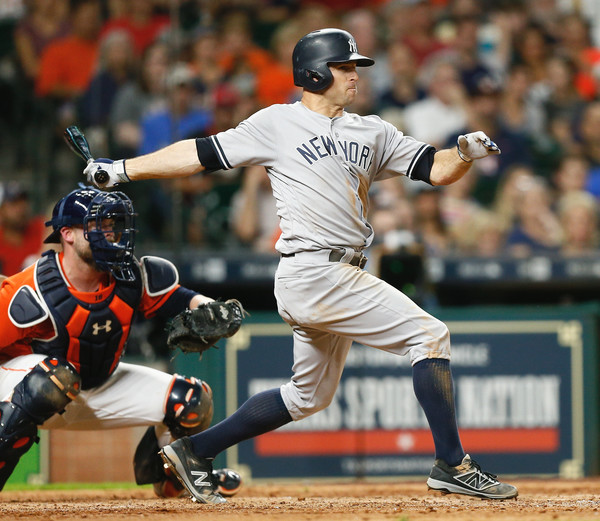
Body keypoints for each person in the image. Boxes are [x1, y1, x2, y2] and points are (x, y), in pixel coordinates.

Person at [83, 28, 518, 503]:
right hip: (314, 271)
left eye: (355, 67)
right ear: (314, 72)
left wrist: (464, 154)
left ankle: (194, 451)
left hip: (339, 272)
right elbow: (201, 154)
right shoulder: (276, 123)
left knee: (308, 398)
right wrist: (124, 169)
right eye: (345, 66)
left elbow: (435, 168)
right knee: (430, 335)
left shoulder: (372, 130)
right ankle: (453, 464)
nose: (355, 75)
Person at [0, 186, 241, 498]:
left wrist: (214, 310)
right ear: (68, 234)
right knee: (54, 377)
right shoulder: (28, 291)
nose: (111, 234)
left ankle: (172, 480)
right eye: (98, 225)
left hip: (95, 385)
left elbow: (182, 298)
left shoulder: (129, 276)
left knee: (192, 400)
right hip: (31, 388)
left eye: (113, 225)